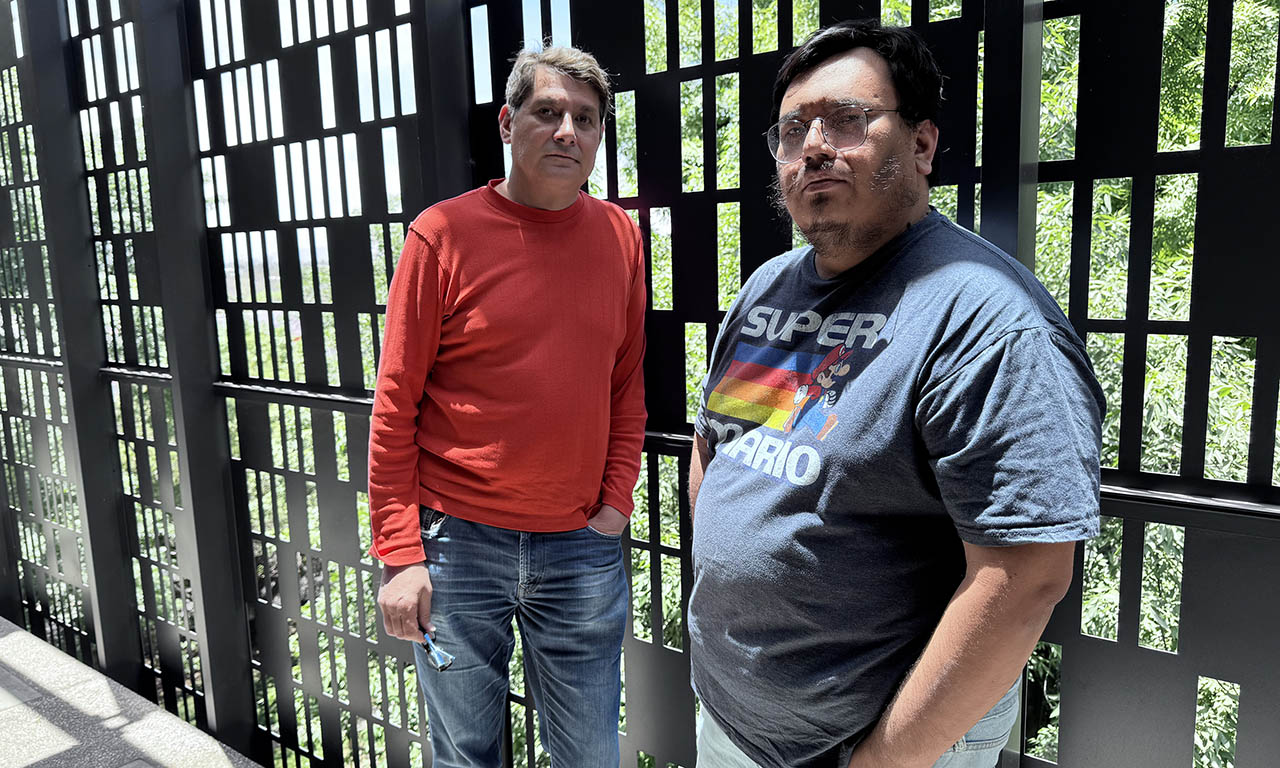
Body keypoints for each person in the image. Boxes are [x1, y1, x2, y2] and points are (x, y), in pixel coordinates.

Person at [687, 20, 1104, 768]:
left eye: (847, 119)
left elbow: (1026, 576)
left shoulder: (984, 316)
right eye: (792, 130)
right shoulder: (767, 289)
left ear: (921, 143)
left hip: (877, 743)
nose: (814, 146)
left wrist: (883, 760)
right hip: (730, 720)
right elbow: (714, 446)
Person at [368, 44, 646, 768]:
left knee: (590, 755)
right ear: (506, 122)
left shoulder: (620, 236)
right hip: (457, 542)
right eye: (547, 111)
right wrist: (400, 554)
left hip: (580, 542)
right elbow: (395, 403)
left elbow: (626, 382)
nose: (567, 132)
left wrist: (617, 499)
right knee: (466, 755)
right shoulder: (442, 235)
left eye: (585, 118)